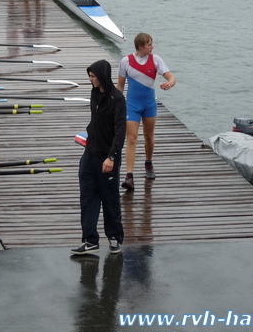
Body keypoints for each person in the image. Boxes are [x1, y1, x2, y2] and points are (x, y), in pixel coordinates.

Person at [71, 60, 126, 256]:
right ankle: (90, 240)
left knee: (109, 199)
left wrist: (111, 157)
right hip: (89, 154)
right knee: (87, 197)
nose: (90, 79)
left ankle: (114, 237)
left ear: (102, 76)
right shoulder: (94, 92)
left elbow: (120, 133)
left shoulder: (117, 99)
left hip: (107, 157)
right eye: (90, 76)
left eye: (93, 76)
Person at [116, 33, 176, 191]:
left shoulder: (156, 60)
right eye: (150, 44)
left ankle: (148, 162)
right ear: (141, 46)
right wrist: (115, 103)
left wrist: (169, 83)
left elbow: (171, 77)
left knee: (149, 136)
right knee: (131, 138)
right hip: (132, 105)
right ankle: (129, 176)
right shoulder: (126, 61)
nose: (152, 47)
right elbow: (120, 86)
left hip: (149, 105)